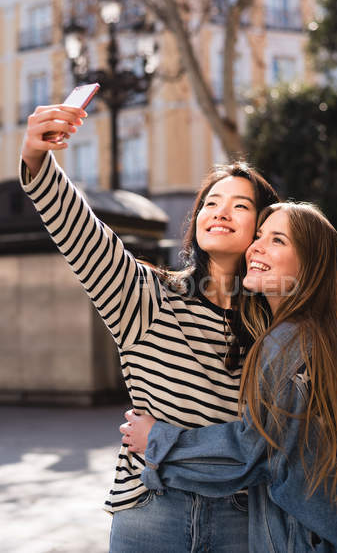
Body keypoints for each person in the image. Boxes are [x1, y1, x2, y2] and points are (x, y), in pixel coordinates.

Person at [19, 102, 279, 553]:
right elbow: (82, 233)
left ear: (261, 227)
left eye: (240, 205)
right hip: (151, 510)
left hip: (245, 515)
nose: (220, 212)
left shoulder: (275, 319)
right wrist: (38, 159)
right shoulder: (147, 297)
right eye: (211, 203)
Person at [121, 202, 337, 553]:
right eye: (258, 236)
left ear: (310, 265)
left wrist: (157, 442)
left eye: (278, 240)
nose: (256, 247)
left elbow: (253, 452)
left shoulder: (289, 342)